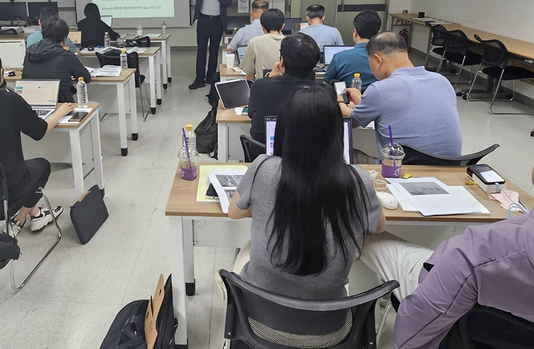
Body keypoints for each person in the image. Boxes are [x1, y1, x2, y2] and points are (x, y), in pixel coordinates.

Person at [227, 84, 386, 342]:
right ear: (337, 132)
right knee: (357, 262)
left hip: (257, 323)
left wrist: (266, 204)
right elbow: (378, 226)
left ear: (284, 130)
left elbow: (235, 212)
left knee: (246, 249)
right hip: (328, 331)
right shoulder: (357, 180)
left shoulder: (264, 168)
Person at [361, 175, 534, 349]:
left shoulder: (481, 254)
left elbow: (413, 331)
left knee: (360, 232)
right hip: (485, 320)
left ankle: (360, 317)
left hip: (442, 297)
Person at [0, 48, 73, 233]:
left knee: (15, 168)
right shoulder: (10, 101)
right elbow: (39, 131)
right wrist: (60, 112)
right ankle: (20, 217)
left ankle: (36, 213)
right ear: (1, 73)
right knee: (42, 166)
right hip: (2, 187)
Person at [339, 32, 462, 157]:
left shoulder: (380, 89)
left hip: (401, 170)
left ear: (378, 60)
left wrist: (340, 101)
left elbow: (352, 121)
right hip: (450, 168)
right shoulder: (442, 81)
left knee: (347, 155)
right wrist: (362, 101)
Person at [170, 0, 232, 89]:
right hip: (203, 21)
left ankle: (211, 77)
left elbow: (227, 2)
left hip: (217, 22)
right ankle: (199, 79)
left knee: (214, 51)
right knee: (201, 50)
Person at [248, 32, 319, 143]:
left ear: (281, 61)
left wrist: (270, 76)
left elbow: (251, 113)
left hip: (265, 154)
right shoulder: (324, 93)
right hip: (308, 156)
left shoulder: (259, 86)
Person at [22, 16, 91, 103]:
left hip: (32, 105)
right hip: (62, 107)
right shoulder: (66, 56)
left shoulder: (29, 52)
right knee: (97, 106)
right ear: (64, 39)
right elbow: (86, 78)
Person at [324, 10, 381, 89]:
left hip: (346, 100)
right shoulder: (384, 58)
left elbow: (326, 84)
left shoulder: (340, 57)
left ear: (355, 33)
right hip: (375, 100)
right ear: (378, 34)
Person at [240, 8, 285, 81]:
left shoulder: (255, 42)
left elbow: (249, 74)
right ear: (283, 26)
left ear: (262, 27)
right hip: (288, 89)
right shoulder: (291, 42)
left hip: (262, 88)